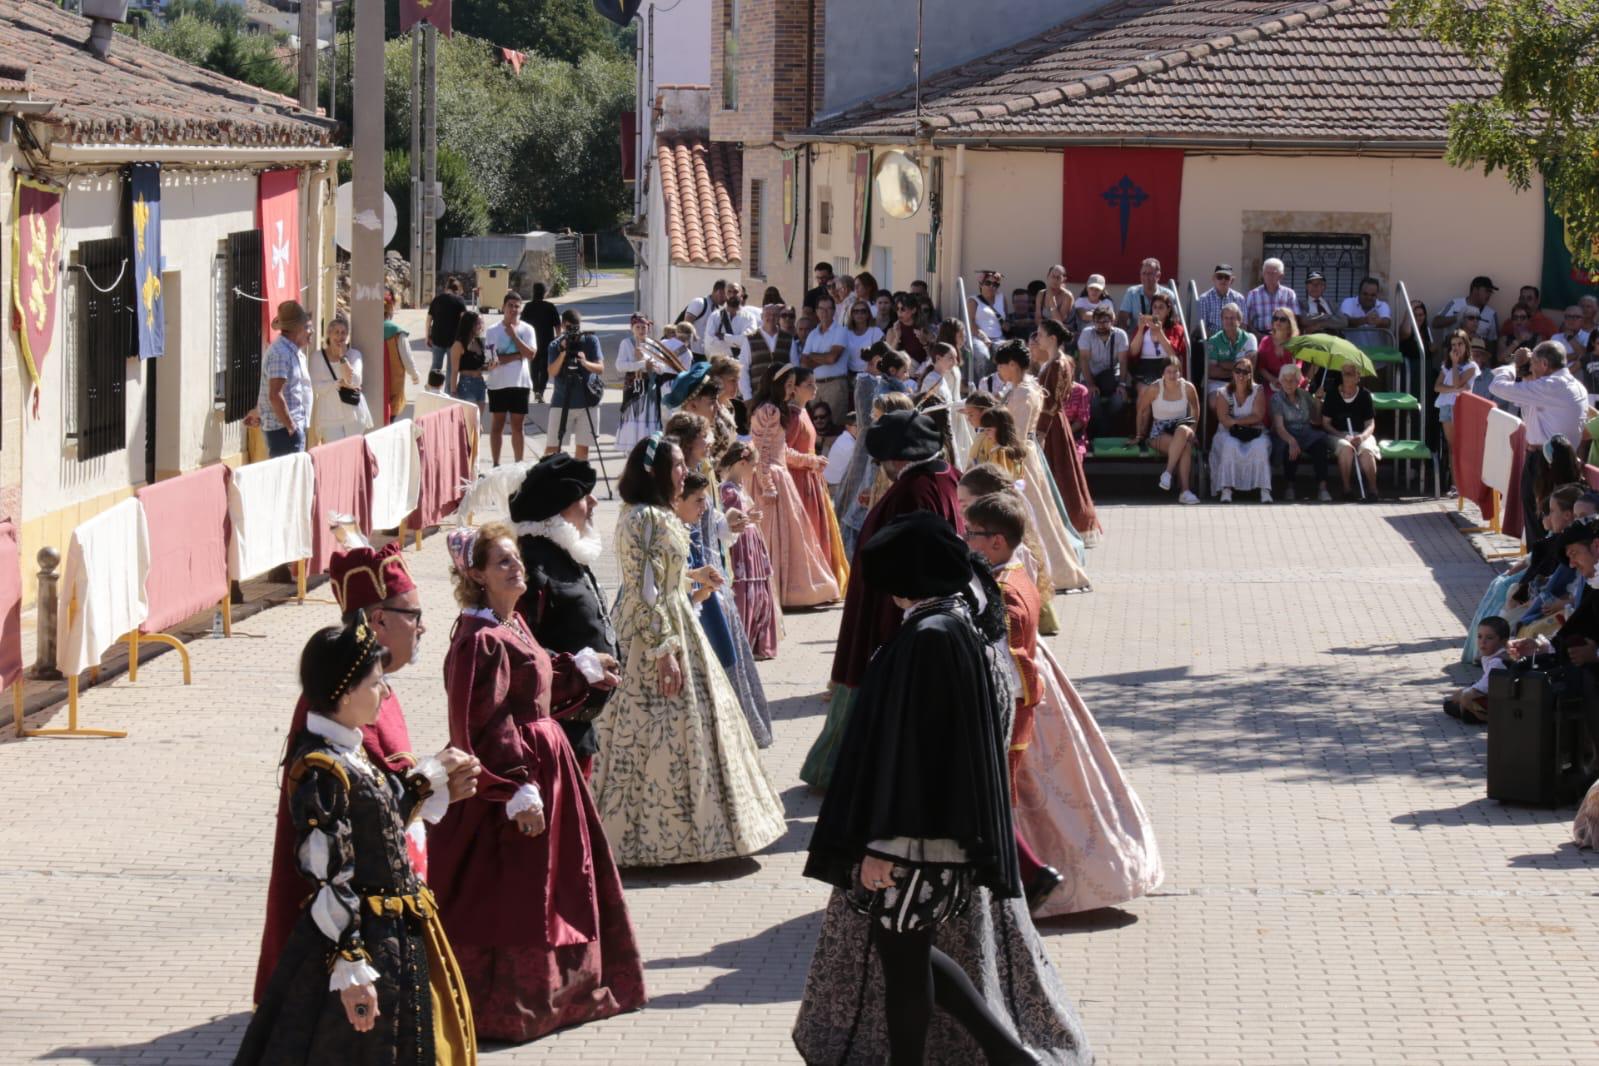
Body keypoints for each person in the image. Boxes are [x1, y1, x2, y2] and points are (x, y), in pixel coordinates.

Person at [795, 512, 1093, 1066]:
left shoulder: (931, 638)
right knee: (909, 955)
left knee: (905, 968)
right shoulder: (955, 621)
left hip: (917, 842)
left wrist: (886, 844)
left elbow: (914, 754)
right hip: (932, 838)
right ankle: (1009, 1057)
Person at [430, 523, 646, 1043]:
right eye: (502, 562)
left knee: (560, 883)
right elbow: (481, 724)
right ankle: (510, 1007)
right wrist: (513, 788)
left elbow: (540, 675)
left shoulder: (513, 623)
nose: (516, 567)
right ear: (476, 574)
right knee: (520, 891)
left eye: (516, 558)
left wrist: (581, 667)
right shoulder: (477, 640)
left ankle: (561, 994)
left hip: (548, 768)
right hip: (515, 781)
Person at [237, 623, 479, 1065]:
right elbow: (329, 876)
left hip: (395, 935)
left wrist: (430, 784)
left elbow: (376, 822)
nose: (385, 693)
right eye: (376, 682)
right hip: (364, 944)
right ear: (345, 693)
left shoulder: (349, 750)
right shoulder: (319, 769)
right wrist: (350, 968)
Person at [251, 542, 449, 1007]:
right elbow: (367, 811)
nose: (422, 626)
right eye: (413, 614)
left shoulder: (369, 692)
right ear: (378, 620)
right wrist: (434, 780)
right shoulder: (339, 707)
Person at [963, 492, 1163, 916]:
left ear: (997, 541)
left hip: (1017, 706)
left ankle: (1029, 883)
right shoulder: (1012, 569)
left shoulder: (1004, 592)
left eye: (973, 534)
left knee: (1020, 797)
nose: (967, 540)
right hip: (1032, 690)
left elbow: (1005, 664)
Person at [594, 435, 787, 865]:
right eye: (677, 465)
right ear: (654, 472)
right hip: (656, 631)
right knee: (651, 734)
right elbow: (645, 592)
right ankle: (648, 840)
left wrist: (691, 574)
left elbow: (661, 577)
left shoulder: (650, 514)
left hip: (670, 617)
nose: (685, 472)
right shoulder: (646, 518)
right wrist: (665, 651)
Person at [802, 410, 964, 789]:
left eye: (882, 462)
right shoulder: (944, 477)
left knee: (874, 687)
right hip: (902, 605)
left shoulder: (912, 491)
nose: (882, 469)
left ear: (898, 460)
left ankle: (850, 771)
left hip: (893, 610)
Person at [510, 454, 618, 781]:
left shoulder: (561, 553)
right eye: (583, 496)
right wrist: (578, 666)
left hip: (576, 732)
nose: (594, 502)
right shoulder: (531, 568)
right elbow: (516, 652)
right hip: (549, 741)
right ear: (559, 508)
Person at [988, 340, 1093, 585]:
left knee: (1034, 515)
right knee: (1038, 514)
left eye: (1001, 366)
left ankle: (1050, 571)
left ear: (1012, 365)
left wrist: (996, 439)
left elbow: (1019, 431)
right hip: (1024, 454)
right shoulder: (1024, 387)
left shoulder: (1024, 392)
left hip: (1019, 458)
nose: (999, 372)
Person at [750, 365, 843, 608]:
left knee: (790, 539)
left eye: (793, 385)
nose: (791, 391)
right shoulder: (770, 410)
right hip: (773, 478)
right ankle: (782, 592)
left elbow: (782, 451)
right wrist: (768, 485)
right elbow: (763, 452)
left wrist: (810, 461)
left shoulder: (771, 409)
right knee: (778, 537)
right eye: (788, 385)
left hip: (777, 475)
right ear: (776, 385)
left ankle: (785, 592)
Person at [1491, 341, 1590, 540]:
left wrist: (1513, 366)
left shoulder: (1551, 386)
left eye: (1534, 362)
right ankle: (1540, 564)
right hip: (1557, 459)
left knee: (1542, 520)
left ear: (1544, 364)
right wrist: (1525, 370)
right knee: (1546, 520)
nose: (1531, 366)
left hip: (1544, 462)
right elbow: (1521, 399)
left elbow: (1497, 387)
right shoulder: (1570, 384)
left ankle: (1540, 566)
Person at [1035, 320, 1102, 541]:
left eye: (1041, 335)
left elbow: (1052, 402)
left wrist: (1042, 432)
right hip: (1053, 422)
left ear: (1053, 338)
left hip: (1053, 424)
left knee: (1060, 474)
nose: (1038, 338)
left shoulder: (1057, 364)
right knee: (1060, 473)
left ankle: (1067, 523)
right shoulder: (1056, 362)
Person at [786, 367, 851, 590]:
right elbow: (784, 452)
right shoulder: (793, 416)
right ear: (794, 389)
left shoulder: (803, 412)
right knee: (808, 530)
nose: (815, 388)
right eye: (809, 385)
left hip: (811, 478)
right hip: (799, 480)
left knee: (818, 530)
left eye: (815, 384)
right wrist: (811, 461)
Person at [717, 441, 779, 660]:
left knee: (757, 589)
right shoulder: (727, 489)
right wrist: (747, 518)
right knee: (744, 589)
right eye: (753, 465)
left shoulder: (739, 488)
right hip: (741, 544)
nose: (754, 470)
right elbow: (727, 518)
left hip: (751, 542)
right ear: (742, 463)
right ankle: (744, 638)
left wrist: (751, 518)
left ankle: (756, 641)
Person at [674, 472, 737, 668]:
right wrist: (695, 582)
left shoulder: (684, 528)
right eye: (699, 501)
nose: (704, 507)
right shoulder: (667, 535)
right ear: (677, 499)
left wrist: (699, 587)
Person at [1131, 357, 1202, 505]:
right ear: (1162, 373)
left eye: (1175, 371)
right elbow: (1141, 410)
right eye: (1168, 371)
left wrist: (1194, 430)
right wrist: (1139, 435)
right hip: (1160, 431)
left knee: (1183, 430)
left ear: (1180, 372)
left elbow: (1196, 408)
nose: (1172, 375)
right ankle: (1185, 491)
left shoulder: (1188, 387)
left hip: (1182, 427)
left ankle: (1168, 473)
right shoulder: (1155, 388)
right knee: (1185, 447)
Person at [484, 292, 539, 466]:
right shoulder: (492, 331)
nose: (513, 309)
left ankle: (518, 463)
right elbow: (493, 359)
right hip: (498, 384)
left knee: (517, 426)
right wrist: (517, 356)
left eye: (517, 306)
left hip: (520, 384)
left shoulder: (527, 329)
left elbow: (530, 354)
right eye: (510, 305)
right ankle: (496, 463)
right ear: (503, 307)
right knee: (497, 425)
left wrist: (514, 336)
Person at [253, 300, 314, 457]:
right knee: (288, 479)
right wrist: (291, 427)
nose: (310, 331)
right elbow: (275, 395)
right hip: (283, 432)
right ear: (298, 328)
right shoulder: (281, 353)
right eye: (307, 327)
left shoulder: (290, 351)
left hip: (288, 429)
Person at [1210, 355, 1273, 503]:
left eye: (1245, 372)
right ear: (1233, 373)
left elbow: (1258, 416)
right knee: (1230, 445)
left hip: (1254, 431)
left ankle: (1264, 490)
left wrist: (1236, 421)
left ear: (1250, 374)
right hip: (1227, 432)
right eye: (1238, 371)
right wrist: (1244, 422)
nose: (1241, 375)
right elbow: (1224, 419)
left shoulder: (1258, 390)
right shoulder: (1222, 392)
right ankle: (1226, 489)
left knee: (1260, 446)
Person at [545, 308, 605, 460]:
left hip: (587, 402)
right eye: (571, 327)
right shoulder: (556, 345)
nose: (574, 332)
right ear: (564, 325)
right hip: (561, 401)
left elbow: (600, 369)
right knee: (553, 448)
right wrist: (564, 352)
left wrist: (585, 363)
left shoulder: (591, 341)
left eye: (577, 327)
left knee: (583, 449)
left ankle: (578, 481)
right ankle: (549, 481)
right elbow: (552, 372)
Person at [1271, 365, 1333, 502]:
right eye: (1285, 380)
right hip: (1287, 434)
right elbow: (1279, 427)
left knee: (1320, 446)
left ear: (1298, 381)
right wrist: (1292, 441)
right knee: (1290, 449)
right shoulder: (1277, 399)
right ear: (1280, 381)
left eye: (1292, 380)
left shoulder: (1304, 395)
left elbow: (1316, 421)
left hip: (1307, 433)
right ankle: (1289, 487)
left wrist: (1318, 403)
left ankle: (1322, 488)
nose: (1288, 384)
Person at [1322, 362, 1382, 501]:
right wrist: (1342, 435)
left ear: (1357, 377)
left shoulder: (1365, 395)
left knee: (1367, 450)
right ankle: (1347, 490)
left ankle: (1373, 491)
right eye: (1344, 374)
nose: (1346, 377)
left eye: (1350, 374)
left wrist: (1362, 437)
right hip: (1338, 433)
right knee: (1345, 447)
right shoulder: (1332, 394)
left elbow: (1370, 423)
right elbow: (1326, 424)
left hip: (1361, 433)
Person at [615, 313, 674, 451]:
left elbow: (662, 367)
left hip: (650, 390)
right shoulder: (626, 343)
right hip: (633, 390)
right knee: (633, 421)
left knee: (649, 420)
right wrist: (641, 364)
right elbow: (620, 366)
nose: (641, 330)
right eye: (638, 327)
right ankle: (631, 453)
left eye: (644, 327)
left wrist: (648, 362)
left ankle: (647, 450)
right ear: (632, 328)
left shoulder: (653, 344)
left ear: (648, 328)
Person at [309, 315, 372, 443]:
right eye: (336, 332)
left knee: (353, 452)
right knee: (335, 454)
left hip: (353, 413)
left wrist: (343, 357)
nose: (340, 336)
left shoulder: (354, 355)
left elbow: (354, 381)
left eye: (343, 333)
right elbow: (316, 387)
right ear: (328, 334)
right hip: (329, 415)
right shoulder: (317, 357)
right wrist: (337, 383)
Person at [1077, 305, 1130, 438]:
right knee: (1092, 401)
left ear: (1112, 321)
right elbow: (1083, 360)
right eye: (1097, 321)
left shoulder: (1120, 335)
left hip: (1112, 379)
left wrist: (1122, 385)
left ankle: (1109, 428)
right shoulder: (1086, 333)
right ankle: (1101, 432)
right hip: (1090, 376)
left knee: (1119, 400)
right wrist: (1090, 384)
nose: (1101, 325)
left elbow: (1123, 361)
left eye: (1105, 321)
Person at [797, 294, 853, 420]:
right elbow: (804, 362)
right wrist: (825, 357)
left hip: (835, 385)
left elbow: (832, 358)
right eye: (821, 309)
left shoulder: (841, 331)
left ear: (834, 311)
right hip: (814, 386)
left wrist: (813, 356)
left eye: (828, 309)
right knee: (815, 426)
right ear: (816, 311)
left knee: (835, 424)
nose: (825, 312)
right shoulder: (812, 334)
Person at [1445, 617, 1510, 725]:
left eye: (1489, 638)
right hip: (1494, 697)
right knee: (1454, 701)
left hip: (1501, 703)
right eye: (1479, 637)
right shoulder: (1493, 656)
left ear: (1503, 641)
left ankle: (1489, 719)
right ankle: (1467, 712)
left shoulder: (1497, 661)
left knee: (1465, 697)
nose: (1482, 642)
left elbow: (1485, 687)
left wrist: (1463, 695)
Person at [1125, 290, 1188, 388]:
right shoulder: (1144, 327)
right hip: (1145, 367)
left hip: (1167, 367)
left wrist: (1159, 332)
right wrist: (1141, 329)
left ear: (1168, 310)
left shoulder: (1176, 328)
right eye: (1154, 307)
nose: (1157, 310)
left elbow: (1173, 354)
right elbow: (1133, 352)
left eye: (1161, 307)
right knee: (1144, 389)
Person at [1434, 329, 1480, 461]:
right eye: (1453, 345)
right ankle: (1454, 481)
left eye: (1460, 344)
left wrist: (1455, 364)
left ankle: (1461, 481)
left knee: (1462, 446)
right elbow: (1437, 387)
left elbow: (1457, 382)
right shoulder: (1446, 365)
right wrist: (1454, 389)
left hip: (1461, 407)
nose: (1456, 348)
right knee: (1452, 447)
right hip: (1446, 406)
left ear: (1466, 345)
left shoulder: (1472, 366)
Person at [381, 288, 421, 423]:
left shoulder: (367, 329)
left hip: (371, 385)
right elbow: (406, 356)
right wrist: (414, 374)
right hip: (393, 384)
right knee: (390, 418)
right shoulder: (397, 332)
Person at [742, 302, 796, 402]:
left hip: (783, 396)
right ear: (762, 316)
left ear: (778, 317)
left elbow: (794, 367)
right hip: (758, 396)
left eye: (774, 315)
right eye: (768, 314)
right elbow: (743, 369)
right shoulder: (750, 339)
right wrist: (747, 397)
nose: (771, 317)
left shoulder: (788, 338)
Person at [1204, 303, 1259, 395]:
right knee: (1215, 402)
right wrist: (1239, 370)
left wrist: (1223, 364)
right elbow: (1212, 372)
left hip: (1244, 382)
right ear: (1221, 320)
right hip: (1218, 382)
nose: (1229, 321)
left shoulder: (1250, 338)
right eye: (1226, 318)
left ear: (1239, 320)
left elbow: (1250, 367)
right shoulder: (1214, 340)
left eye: (1232, 318)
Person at [704, 282, 759, 365]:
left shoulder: (750, 318)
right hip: (719, 366)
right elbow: (710, 344)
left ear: (741, 295)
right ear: (726, 295)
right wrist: (737, 341)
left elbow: (747, 341)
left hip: (741, 366)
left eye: (736, 292)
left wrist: (724, 337)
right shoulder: (715, 316)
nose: (732, 294)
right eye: (729, 292)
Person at [426, 278, 468, 385]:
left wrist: (427, 337)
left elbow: (429, 320)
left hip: (437, 338)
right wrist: (464, 340)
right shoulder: (460, 301)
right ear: (457, 290)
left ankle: (431, 390)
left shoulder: (437, 299)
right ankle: (448, 394)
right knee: (451, 369)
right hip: (453, 341)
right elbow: (464, 321)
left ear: (446, 288)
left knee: (436, 366)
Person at [1433, 275, 1500, 342]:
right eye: (1487, 291)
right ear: (1475, 290)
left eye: (1491, 292)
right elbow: (1435, 323)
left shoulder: (1491, 314)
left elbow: (1493, 343)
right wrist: (1456, 317)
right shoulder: (1455, 304)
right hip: (1452, 349)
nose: (1489, 295)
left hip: (1477, 350)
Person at [525, 282, 562, 402]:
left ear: (533, 292)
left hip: (532, 341)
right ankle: (541, 390)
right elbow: (557, 325)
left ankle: (536, 389)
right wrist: (559, 338)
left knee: (534, 366)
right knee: (545, 367)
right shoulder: (550, 306)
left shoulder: (528, 307)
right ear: (545, 292)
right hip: (547, 341)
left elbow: (522, 324)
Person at [1118, 257, 1179, 331]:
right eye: (1144, 273)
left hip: (1161, 339)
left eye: (1150, 274)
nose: (1146, 277)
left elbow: (1175, 320)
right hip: (1136, 339)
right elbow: (1122, 320)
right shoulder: (1131, 293)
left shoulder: (1168, 295)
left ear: (1158, 276)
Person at [446, 310, 490, 411]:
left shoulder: (478, 341)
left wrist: (490, 366)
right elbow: (454, 370)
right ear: (469, 324)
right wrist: (453, 392)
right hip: (466, 385)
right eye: (478, 323)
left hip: (480, 384)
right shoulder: (459, 344)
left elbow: (480, 366)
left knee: (477, 422)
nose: (481, 326)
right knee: (470, 421)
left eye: (481, 322)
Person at [1244, 257, 1298, 335]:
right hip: (1260, 335)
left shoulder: (1289, 294)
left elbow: (1294, 318)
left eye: (1273, 273)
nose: (1269, 276)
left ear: (1281, 275)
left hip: (1283, 337)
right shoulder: (1253, 294)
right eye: (1267, 273)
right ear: (1263, 274)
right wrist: (1258, 336)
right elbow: (1247, 320)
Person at [676, 279, 728, 359]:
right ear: (719, 292)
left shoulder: (717, 311)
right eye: (726, 294)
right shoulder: (700, 303)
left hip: (705, 355)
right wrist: (686, 352)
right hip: (691, 354)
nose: (727, 299)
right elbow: (685, 327)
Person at [1339, 276, 1394, 350]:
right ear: (1359, 293)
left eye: (1372, 295)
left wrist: (1379, 321)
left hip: (1377, 355)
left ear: (1377, 295)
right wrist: (1365, 320)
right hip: (1352, 354)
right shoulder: (1348, 302)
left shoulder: (1382, 305)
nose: (1369, 298)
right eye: (1365, 294)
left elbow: (1387, 323)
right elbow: (1344, 321)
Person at [1256, 306, 1302, 392]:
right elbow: (1261, 367)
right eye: (1275, 318)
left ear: (1290, 323)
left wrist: (1286, 382)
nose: (1278, 321)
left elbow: (1298, 367)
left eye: (1282, 319)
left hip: (1292, 382)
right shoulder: (1265, 341)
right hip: (1271, 383)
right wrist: (1273, 379)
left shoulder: (1295, 343)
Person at [1194, 263, 1248, 336]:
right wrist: (1219, 341)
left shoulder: (1239, 298)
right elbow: (1202, 327)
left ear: (1232, 280)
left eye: (1226, 277)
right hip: (1212, 341)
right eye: (1219, 277)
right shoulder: (1204, 298)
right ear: (1213, 279)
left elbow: (1243, 324)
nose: (1223, 280)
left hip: (1234, 341)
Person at [843, 299, 886, 392]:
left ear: (868, 314)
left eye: (863, 311)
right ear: (851, 314)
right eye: (856, 311)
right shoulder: (845, 332)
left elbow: (882, 355)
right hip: (850, 376)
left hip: (871, 376)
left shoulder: (876, 332)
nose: (859, 314)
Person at [885, 294, 932, 370]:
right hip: (901, 374)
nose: (899, 312)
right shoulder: (892, 331)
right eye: (897, 309)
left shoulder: (923, 329)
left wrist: (925, 343)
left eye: (903, 309)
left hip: (921, 372)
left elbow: (932, 357)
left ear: (913, 310)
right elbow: (888, 357)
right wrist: (897, 338)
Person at [1297, 271, 1347, 335]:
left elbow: (1343, 322)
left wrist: (1320, 325)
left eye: (1319, 283)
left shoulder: (1332, 304)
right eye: (1311, 283)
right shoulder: (1301, 304)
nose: (1315, 286)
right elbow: (1304, 320)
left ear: (1324, 287)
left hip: (1333, 338)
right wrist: (1325, 316)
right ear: (1306, 286)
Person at [969, 270, 1008, 347]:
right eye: (988, 283)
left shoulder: (1002, 298)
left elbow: (1006, 320)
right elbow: (971, 323)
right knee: (982, 354)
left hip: (999, 339)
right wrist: (984, 338)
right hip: (979, 339)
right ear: (980, 284)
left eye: (995, 284)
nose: (992, 286)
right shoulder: (973, 300)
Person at [1035, 264, 1073, 331]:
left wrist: (1052, 302)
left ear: (1063, 279)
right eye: (1053, 276)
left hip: (1062, 333)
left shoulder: (1067, 296)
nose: (1055, 280)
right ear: (1048, 277)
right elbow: (1037, 319)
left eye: (1058, 277)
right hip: (1045, 331)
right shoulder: (1041, 294)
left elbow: (1059, 323)